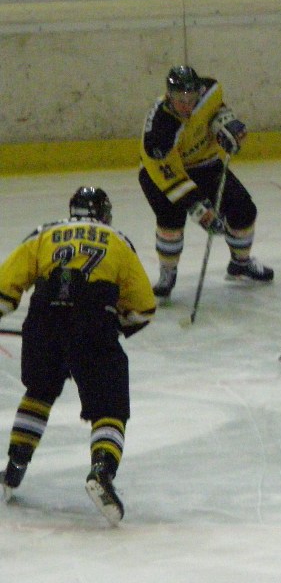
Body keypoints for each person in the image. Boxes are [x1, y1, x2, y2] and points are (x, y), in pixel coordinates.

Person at [0, 187, 156, 526]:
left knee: (39, 391)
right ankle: (101, 471)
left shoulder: (44, 233)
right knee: (110, 407)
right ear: (104, 214)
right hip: (93, 320)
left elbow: (5, 288)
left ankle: (13, 468)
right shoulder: (118, 240)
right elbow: (143, 307)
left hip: (43, 317)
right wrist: (113, 326)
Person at [139, 65, 273, 299]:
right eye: (180, 100)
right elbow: (170, 177)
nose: (187, 105)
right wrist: (199, 209)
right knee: (171, 220)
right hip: (160, 174)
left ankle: (240, 264)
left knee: (243, 209)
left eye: (191, 99)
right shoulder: (159, 131)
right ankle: (167, 273)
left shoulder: (210, 90)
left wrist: (225, 125)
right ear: (169, 95)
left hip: (204, 164)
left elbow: (216, 110)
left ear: (199, 92)